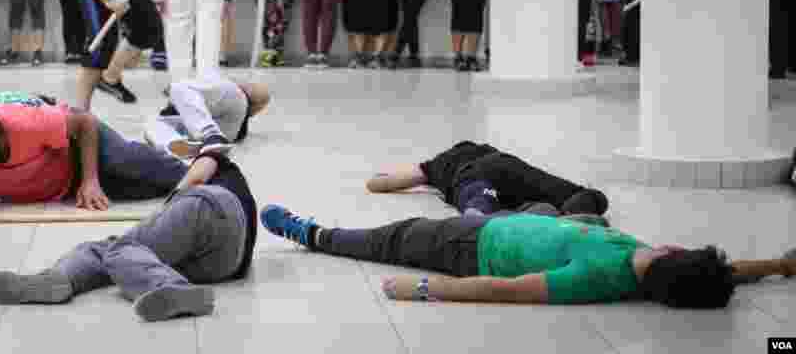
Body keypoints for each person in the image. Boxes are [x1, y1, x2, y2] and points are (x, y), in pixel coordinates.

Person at [260, 205, 796, 307]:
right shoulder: (648, 261)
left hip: (469, 249)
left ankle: (314, 234)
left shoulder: (597, 278)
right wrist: (778, 266)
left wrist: (423, 290)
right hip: (505, 225)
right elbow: (725, 273)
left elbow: (507, 290)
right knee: (581, 211)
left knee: (388, 239)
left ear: (672, 257)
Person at [0, 43, 188, 215]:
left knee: (135, 166)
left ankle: (199, 165)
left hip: (76, 144)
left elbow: (85, 122)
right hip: (45, 163)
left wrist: (90, 180)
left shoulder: (24, 122)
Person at [0, 148, 257, 322]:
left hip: (210, 205)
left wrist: (163, 211)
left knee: (116, 248)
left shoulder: (215, 158)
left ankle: (58, 279)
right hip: (228, 264)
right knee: (129, 259)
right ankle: (174, 290)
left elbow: (194, 180)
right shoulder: (242, 195)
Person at [365, 141, 609, 218]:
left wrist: (378, 178)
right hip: (508, 166)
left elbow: (381, 184)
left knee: (479, 208)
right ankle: (573, 214)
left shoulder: (437, 164)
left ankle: (485, 213)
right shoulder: (487, 150)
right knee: (588, 196)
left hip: (472, 176)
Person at [143, 70, 272, 158]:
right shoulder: (236, 116)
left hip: (236, 99)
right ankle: (177, 142)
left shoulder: (233, 92)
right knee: (152, 124)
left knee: (178, 88)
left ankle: (210, 134)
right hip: (226, 130)